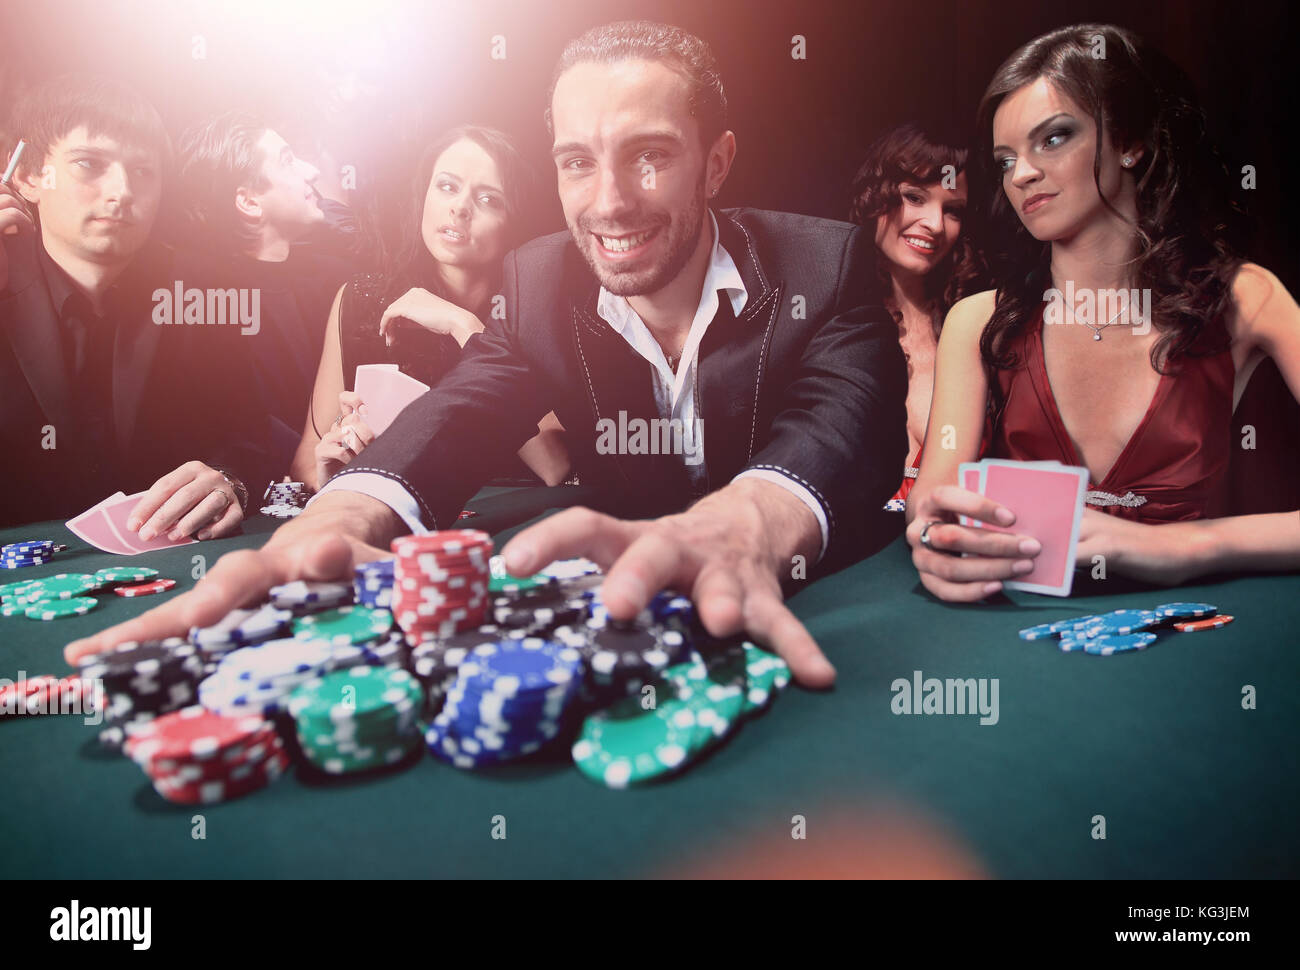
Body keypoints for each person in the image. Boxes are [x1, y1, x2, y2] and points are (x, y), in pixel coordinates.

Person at [66, 20, 908, 685]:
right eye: (578, 162)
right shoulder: (539, 283)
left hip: (831, 617)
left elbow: (843, 431)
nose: (609, 203)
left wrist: (744, 526)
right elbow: (456, 417)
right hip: (616, 631)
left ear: (716, 162)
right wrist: (332, 521)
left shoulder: (822, 263)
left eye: (649, 156)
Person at [904, 23, 1300, 603]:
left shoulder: (1246, 297)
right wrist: (932, 537)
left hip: (1198, 649)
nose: (1023, 174)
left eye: (1054, 138)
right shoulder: (977, 320)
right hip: (1016, 640)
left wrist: (1183, 547)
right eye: (1005, 159)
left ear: (1131, 142)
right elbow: (929, 504)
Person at [1, 75, 264, 536]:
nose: (121, 190)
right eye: (89, 164)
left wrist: (231, 479)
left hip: (170, 559)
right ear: (27, 176)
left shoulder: (200, 289)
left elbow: (256, 431)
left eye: (143, 171)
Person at [293, 125, 571, 491]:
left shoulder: (539, 308)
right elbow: (306, 464)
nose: (459, 208)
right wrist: (339, 466)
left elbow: (557, 467)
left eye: (488, 199)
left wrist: (465, 328)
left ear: (513, 221)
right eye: (447, 186)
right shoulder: (361, 300)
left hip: (512, 527)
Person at [173, 112, 352, 482]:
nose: (311, 171)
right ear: (250, 203)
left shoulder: (333, 276)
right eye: (287, 161)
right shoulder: (205, 303)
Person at [848, 123, 982, 506]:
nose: (936, 224)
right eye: (915, 197)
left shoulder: (976, 324)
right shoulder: (828, 320)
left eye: (952, 210)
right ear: (874, 195)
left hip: (947, 544)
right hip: (858, 550)